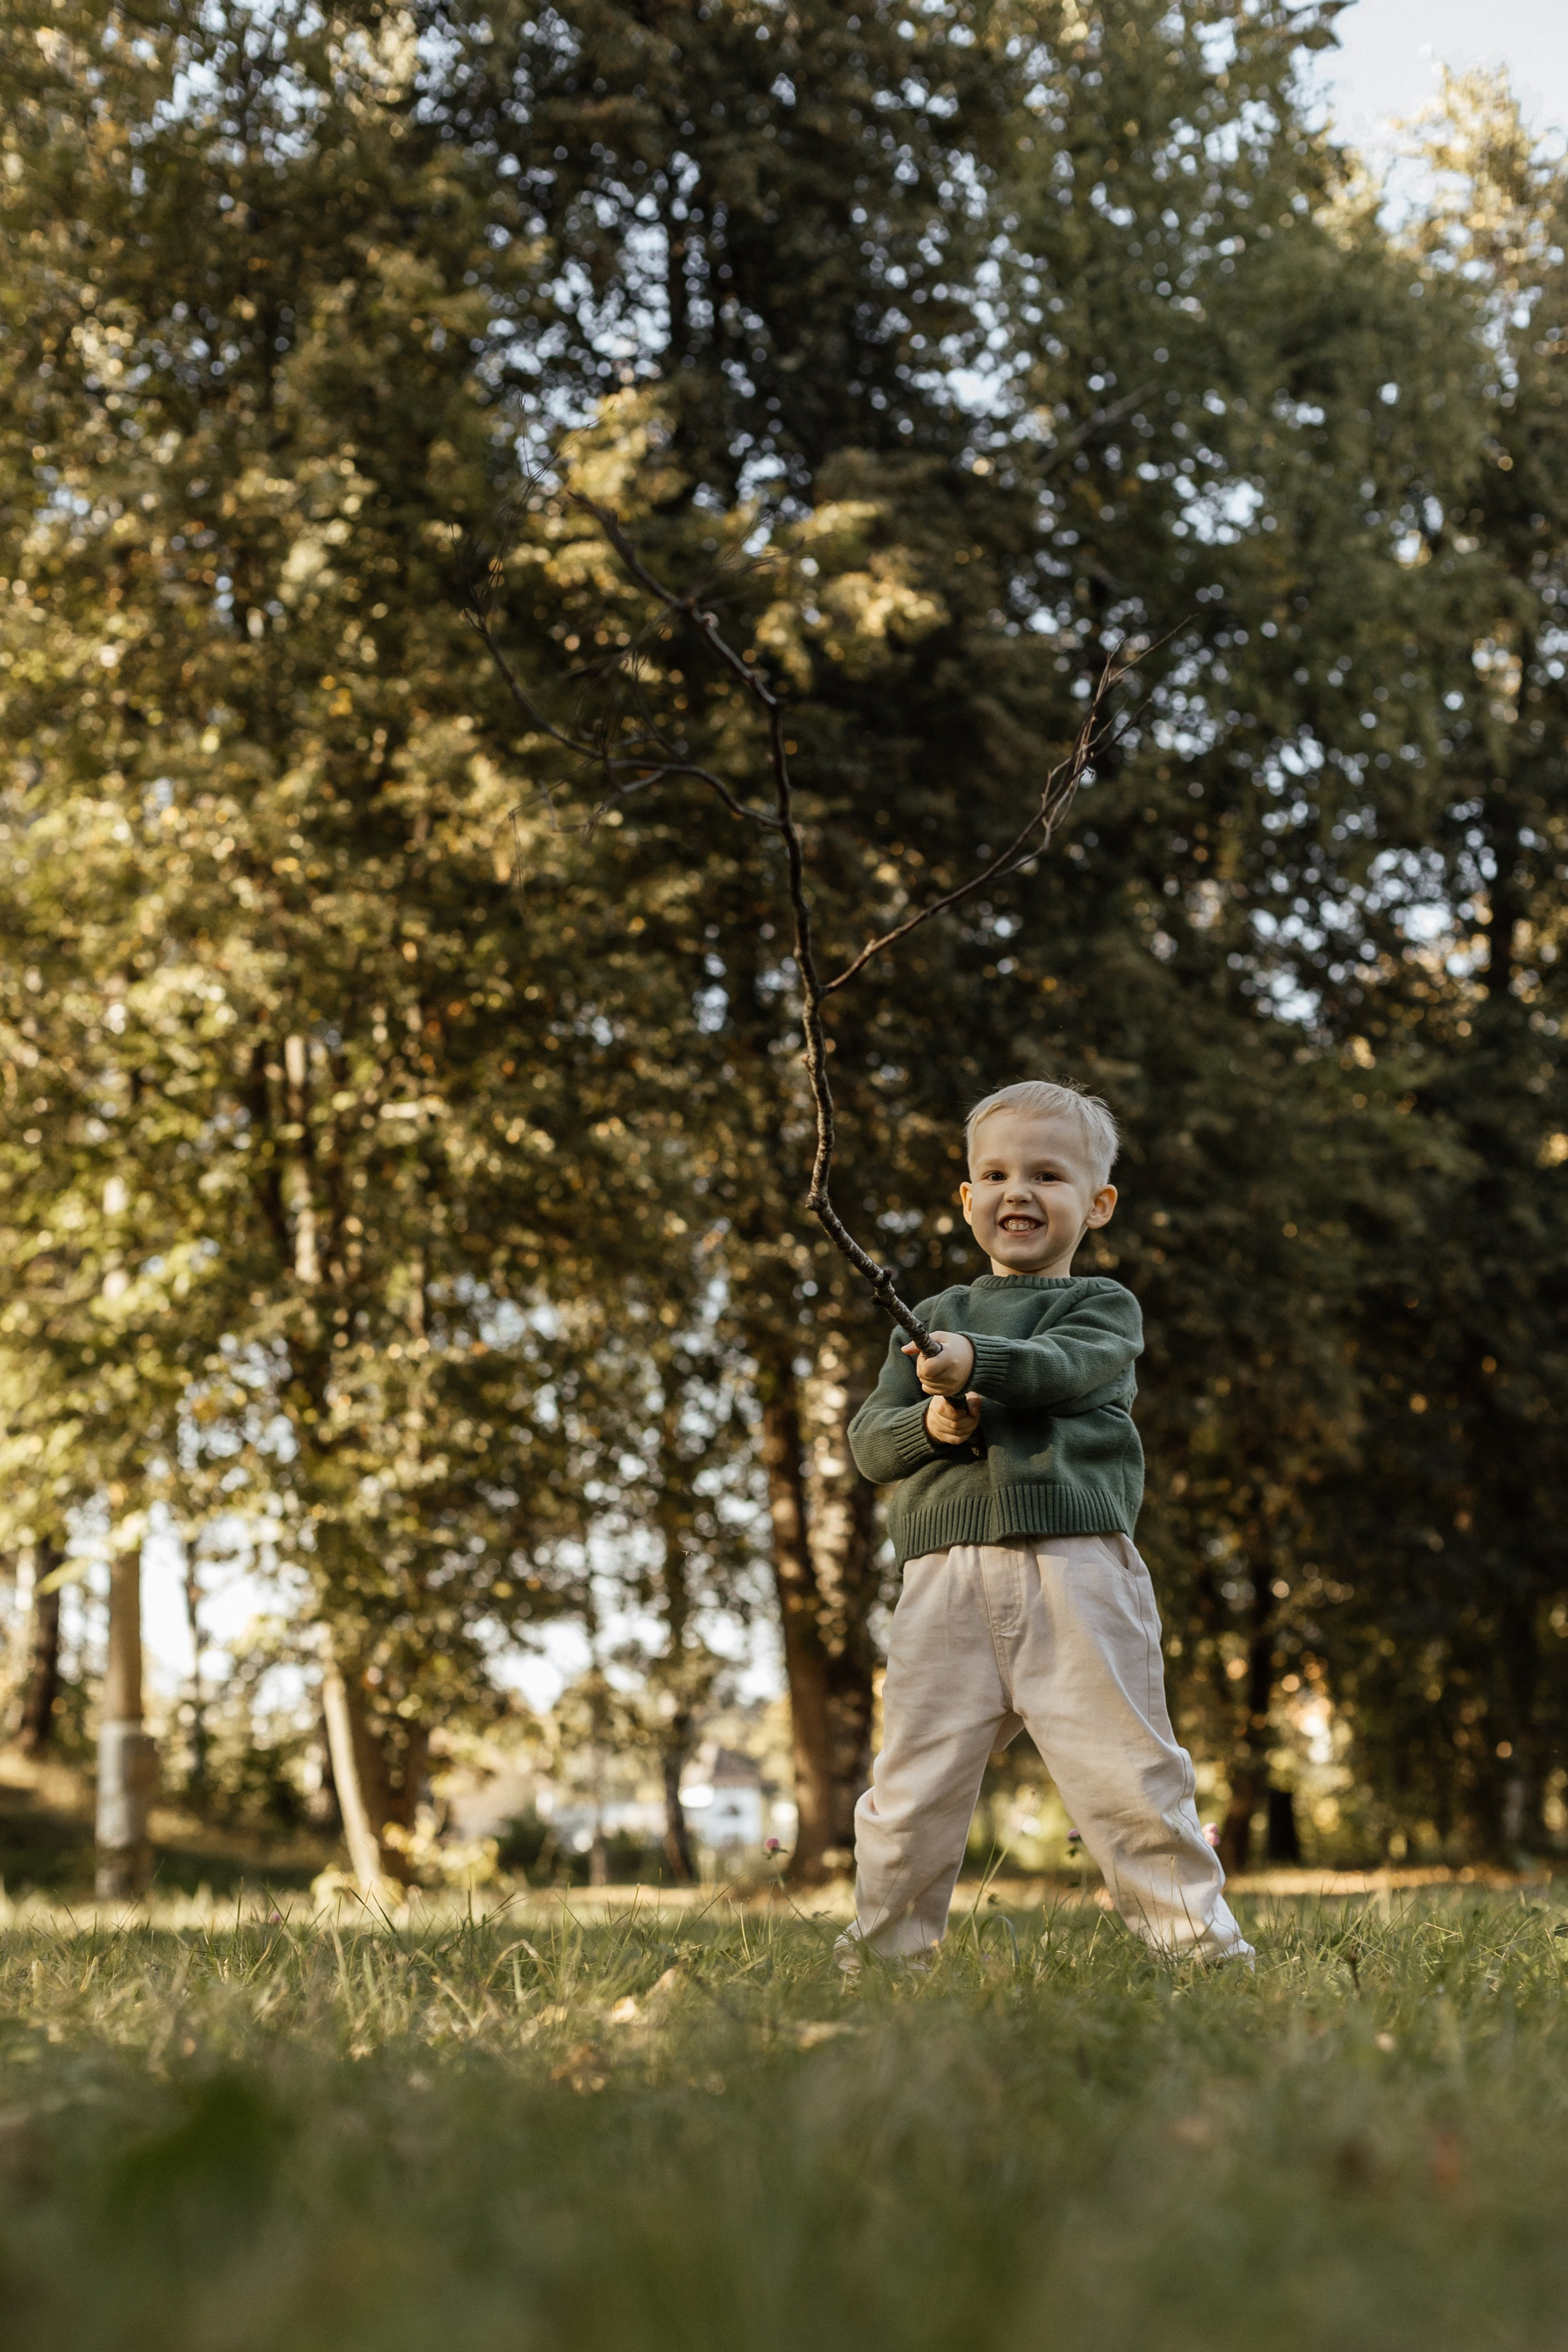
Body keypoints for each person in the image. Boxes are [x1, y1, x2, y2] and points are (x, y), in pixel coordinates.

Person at [839, 1079, 1252, 1969]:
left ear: (1097, 1204)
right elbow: (873, 1445)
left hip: (1075, 1572)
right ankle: (882, 1961)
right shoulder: (929, 1319)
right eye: (993, 1173)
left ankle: (1200, 1950)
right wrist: (932, 1421)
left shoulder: (1103, 1309)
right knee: (912, 1789)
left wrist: (974, 1364)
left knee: (1129, 1778)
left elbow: (1061, 1370)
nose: (1016, 1191)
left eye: (1047, 1176)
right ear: (966, 1199)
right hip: (942, 1582)